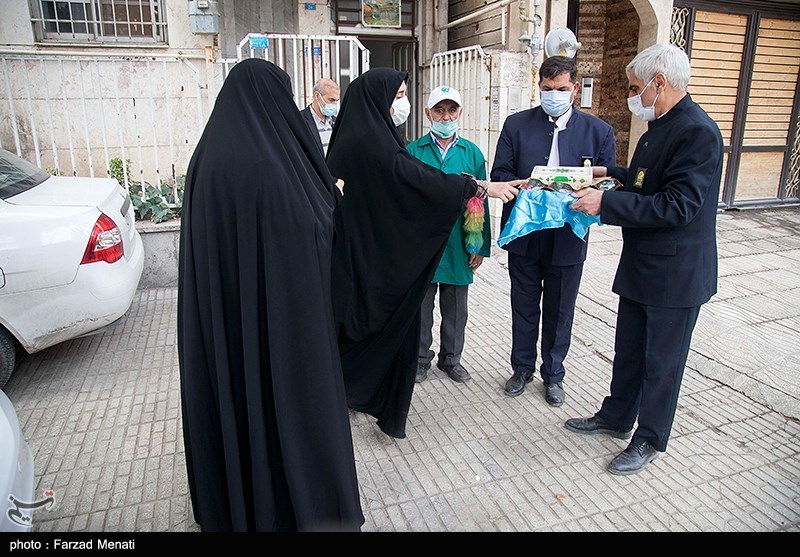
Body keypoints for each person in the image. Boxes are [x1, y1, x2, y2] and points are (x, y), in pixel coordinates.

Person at [177, 58, 364, 531]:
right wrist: (331, 201)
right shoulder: (271, 165)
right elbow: (308, 232)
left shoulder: (206, 158)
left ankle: (236, 504)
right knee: (287, 408)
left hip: (226, 321)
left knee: (236, 400)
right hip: (282, 324)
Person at [327, 67, 523, 439]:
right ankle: (360, 388)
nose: (402, 104)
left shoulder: (369, 135)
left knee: (446, 307)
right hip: (368, 255)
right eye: (397, 96)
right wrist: (478, 186)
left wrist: (476, 231)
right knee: (379, 317)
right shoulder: (376, 142)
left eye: (404, 95)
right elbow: (414, 179)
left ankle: (441, 361)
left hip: (371, 250)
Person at [567, 43, 724, 476]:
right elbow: (645, 182)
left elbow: (677, 205)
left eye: (637, 88)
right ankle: (617, 417)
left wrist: (606, 205)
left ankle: (650, 438)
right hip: (643, 264)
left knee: (662, 362)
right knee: (629, 350)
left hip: (675, 274)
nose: (633, 96)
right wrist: (608, 174)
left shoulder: (698, 132)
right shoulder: (660, 126)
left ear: (660, 83)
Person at [490, 56, 616, 406]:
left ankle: (554, 375)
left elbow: (609, 183)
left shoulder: (598, 132)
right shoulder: (516, 125)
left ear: (575, 88)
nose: (554, 95)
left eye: (561, 89)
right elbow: (500, 173)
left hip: (568, 235)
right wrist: (522, 184)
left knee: (561, 309)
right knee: (524, 304)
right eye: (547, 90)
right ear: (539, 88)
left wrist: (584, 188)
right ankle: (521, 368)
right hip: (526, 233)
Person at [406, 85, 491, 385]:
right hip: (423, 242)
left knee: (456, 306)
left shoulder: (472, 153)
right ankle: (419, 360)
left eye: (451, 110)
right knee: (421, 306)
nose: (445, 116)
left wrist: (478, 244)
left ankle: (451, 359)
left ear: (459, 113)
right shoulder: (413, 151)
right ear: (427, 113)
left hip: (458, 239)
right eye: (439, 110)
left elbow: (480, 201)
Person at [301, 78, 340, 156]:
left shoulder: (336, 122)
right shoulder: (299, 120)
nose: (334, 104)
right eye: (331, 100)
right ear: (317, 96)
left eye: (337, 101)